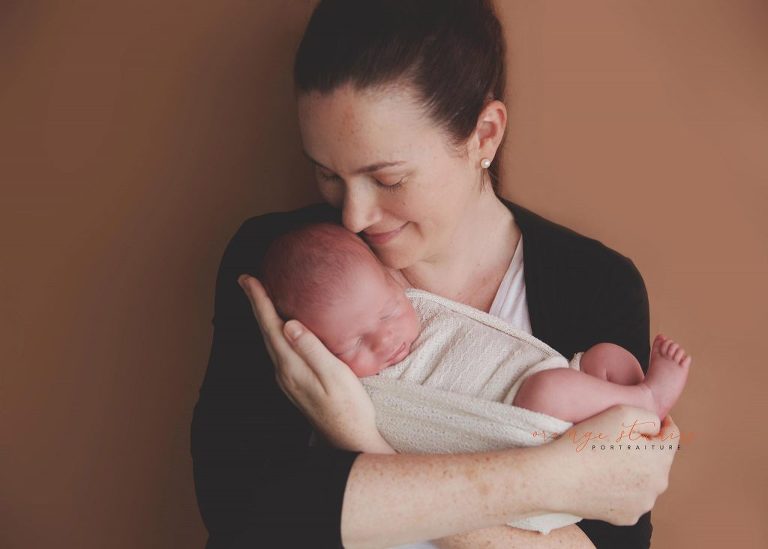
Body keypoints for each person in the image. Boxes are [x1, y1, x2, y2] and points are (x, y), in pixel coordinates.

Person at [191, 1, 679, 547]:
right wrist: (554, 478)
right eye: (327, 174)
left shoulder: (594, 285)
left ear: (485, 135)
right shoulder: (286, 265)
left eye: (389, 179)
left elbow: (608, 535)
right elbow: (246, 511)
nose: (352, 216)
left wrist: (359, 439)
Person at [261, 222, 690, 426]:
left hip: (570, 391)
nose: (386, 338)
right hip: (526, 422)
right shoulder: (365, 395)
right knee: (546, 390)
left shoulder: (601, 279)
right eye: (351, 345)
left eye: (390, 312)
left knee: (604, 356)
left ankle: (641, 406)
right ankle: (645, 403)